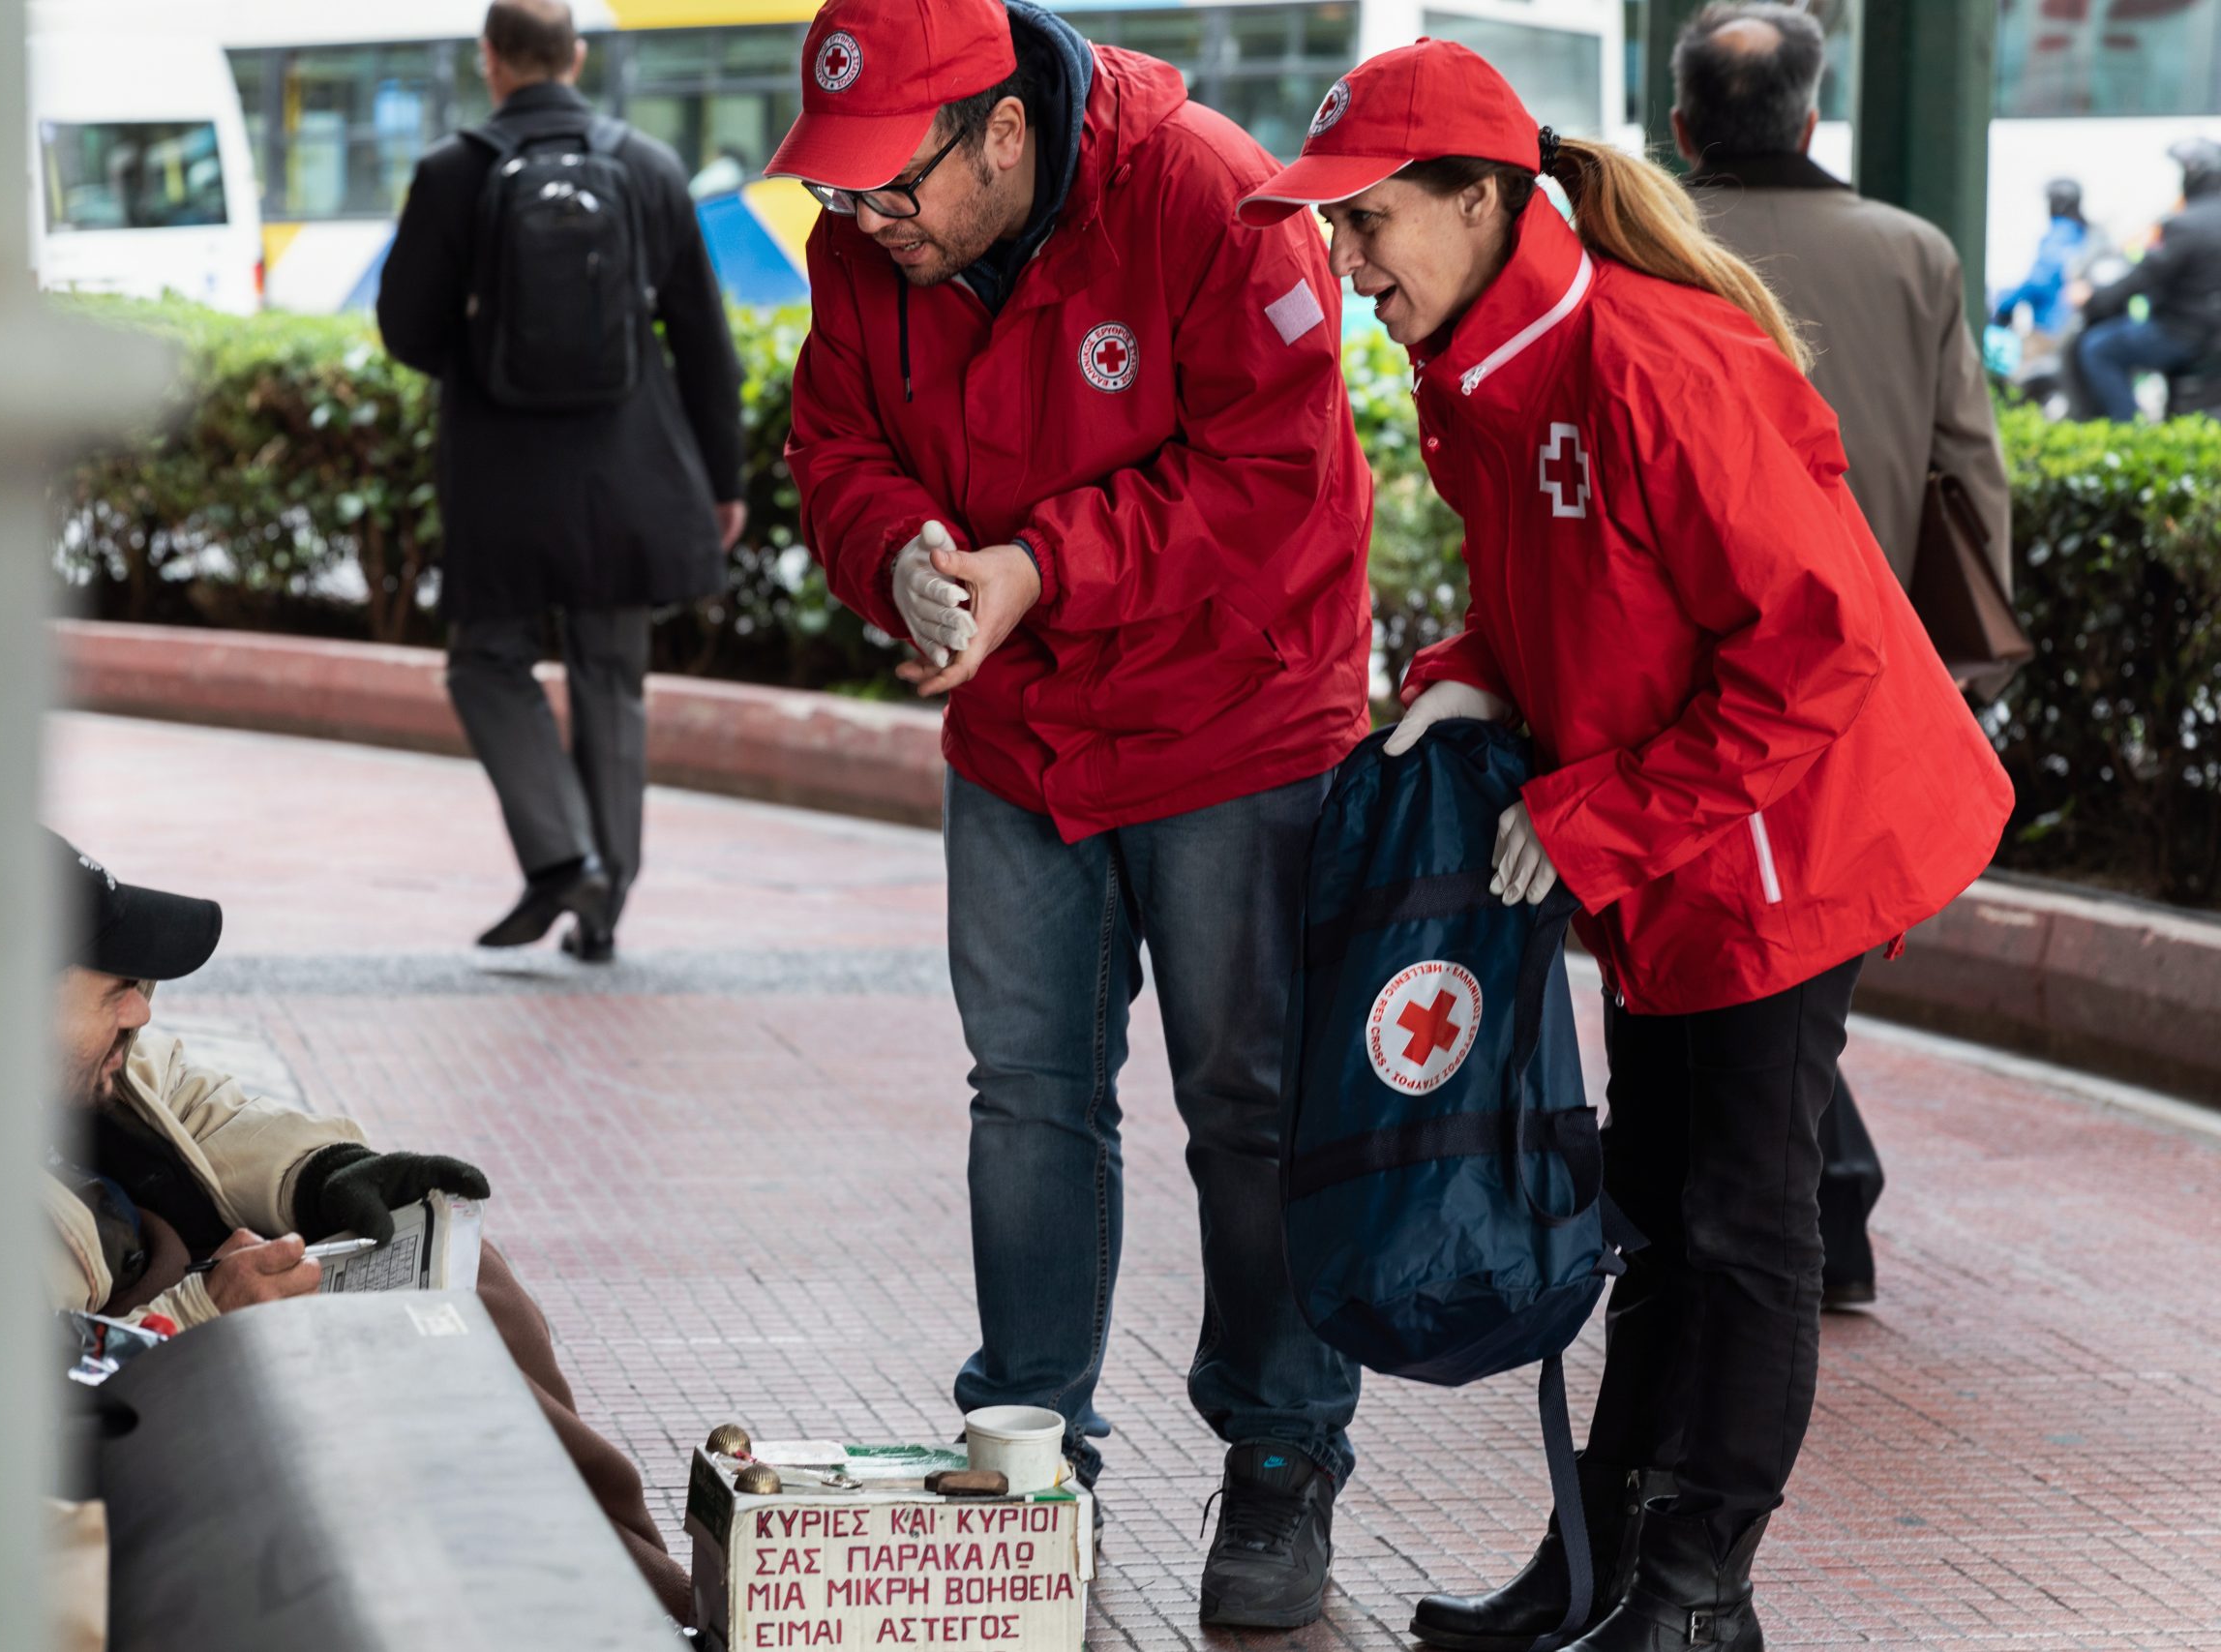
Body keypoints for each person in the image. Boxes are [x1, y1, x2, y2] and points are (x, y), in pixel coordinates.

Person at [1239, 39, 2012, 1651]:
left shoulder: (1658, 360)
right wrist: (1462, 682)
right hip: (1681, 843)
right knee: (1657, 1206)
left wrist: (1591, 815)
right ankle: (1602, 1559)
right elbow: (1554, 612)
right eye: (1333, 229)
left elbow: (1819, 655)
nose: (1348, 261)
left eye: (1371, 221)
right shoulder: (1487, 375)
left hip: (1790, 838)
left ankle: (1698, 1585)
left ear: (1479, 198)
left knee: (1739, 1224)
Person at [765, 0, 1373, 1627]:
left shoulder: (1205, 193)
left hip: (1235, 720)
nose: (866, 225)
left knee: (1248, 1103)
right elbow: (834, 442)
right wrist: (891, 547)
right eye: (839, 196)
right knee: (1027, 1094)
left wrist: (1044, 568)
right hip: (1024, 741)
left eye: (893, 189)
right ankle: (1033, 1443)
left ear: (1004, 130)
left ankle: (1282, 1451)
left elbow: (1277, 474)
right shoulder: (862, 246)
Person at [43, 833, 691, 1620]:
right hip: (156, 1402)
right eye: (116, 986)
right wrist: (205, 1313)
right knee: (420, 1380)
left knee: (466, 1277)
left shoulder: (69, 1064)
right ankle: (610, 1609)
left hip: (214, 1306)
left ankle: (652, 1593)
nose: (142, 1006)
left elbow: (190, 1096)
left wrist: (326, 1173)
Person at [1673, 0, 2019, 1307]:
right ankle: (1819, 1202)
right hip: (1860, 681)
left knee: (1725, 970)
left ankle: (1793, 1209)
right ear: (1814, 116)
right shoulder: (1914, 252)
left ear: (1683, 122)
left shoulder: (1642, 246)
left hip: (1678, 685)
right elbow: (1970, 482)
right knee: (1800, 959)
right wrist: (1963, 684)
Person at [378, 0, 747, 962]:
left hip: (500, 471)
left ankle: (560, 852)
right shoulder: (649, 167)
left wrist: (491, 346)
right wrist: (723, 476)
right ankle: (602, 901)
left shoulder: (452, 173)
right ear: (575, 57)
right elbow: (705, 342)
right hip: (631, 470)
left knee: (485, 661)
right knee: (611, 677)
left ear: (492, 60)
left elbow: (407, 332)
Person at [2072, 136, 2221, 421]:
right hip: (2210, 332)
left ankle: (2128, 431)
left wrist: (2096, 297)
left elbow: (2144, 275)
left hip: (2184, 332)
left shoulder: (2184, 224)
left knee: (2098, 347)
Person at [1994, 177, 2111, 340]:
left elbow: (2037, 282)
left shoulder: (2060, 236)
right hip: (2082, 333)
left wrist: (2003, 305)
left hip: (2053, 334)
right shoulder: (2091, 237)